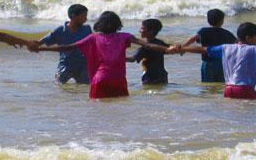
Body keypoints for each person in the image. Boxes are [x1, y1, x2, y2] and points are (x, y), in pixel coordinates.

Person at [34, 11, 170, 99]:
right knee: (119, 112)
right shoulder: (125, 36)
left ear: (100, 24)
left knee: (98, 113)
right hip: (118, 80)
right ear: (118, 24)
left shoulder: (93, 37)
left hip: (100, 80)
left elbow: (67, 47)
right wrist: (171, 49)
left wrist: (42, 48)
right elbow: (149, 45)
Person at [173, 22, 256, 99]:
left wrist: (184, 48)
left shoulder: (225, 48)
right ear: (249, 38)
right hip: (245, 89)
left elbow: (203, 49)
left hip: (228, 89)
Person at [35, 4, 92, 84]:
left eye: (86, 16)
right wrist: (33, 45)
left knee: (85, 87)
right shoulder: (61, 30)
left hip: (83, 64)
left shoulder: (87, 30)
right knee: (59, 84)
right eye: (83, 16)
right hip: (66, 64)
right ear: (73, 16)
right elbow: (43, 41)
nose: (86, 19)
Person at [182, 9, 236, 82]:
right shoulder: (227, 33)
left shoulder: (204, 31)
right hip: (222, 64)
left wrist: (183, 48)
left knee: (207, 83)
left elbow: (193, 39)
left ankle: (209, 93)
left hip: (208, 62)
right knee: (220, 83)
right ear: (222, 21)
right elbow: (237, 44)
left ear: (208, 21)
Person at [126, 18, 169, 84]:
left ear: (151, 31)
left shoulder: (144, 48)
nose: (140, 31)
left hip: (150, 79)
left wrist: (115, 58)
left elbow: (132, 59)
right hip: (163, 77)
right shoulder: (160, 43)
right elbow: (172, 49)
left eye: (142, 28)